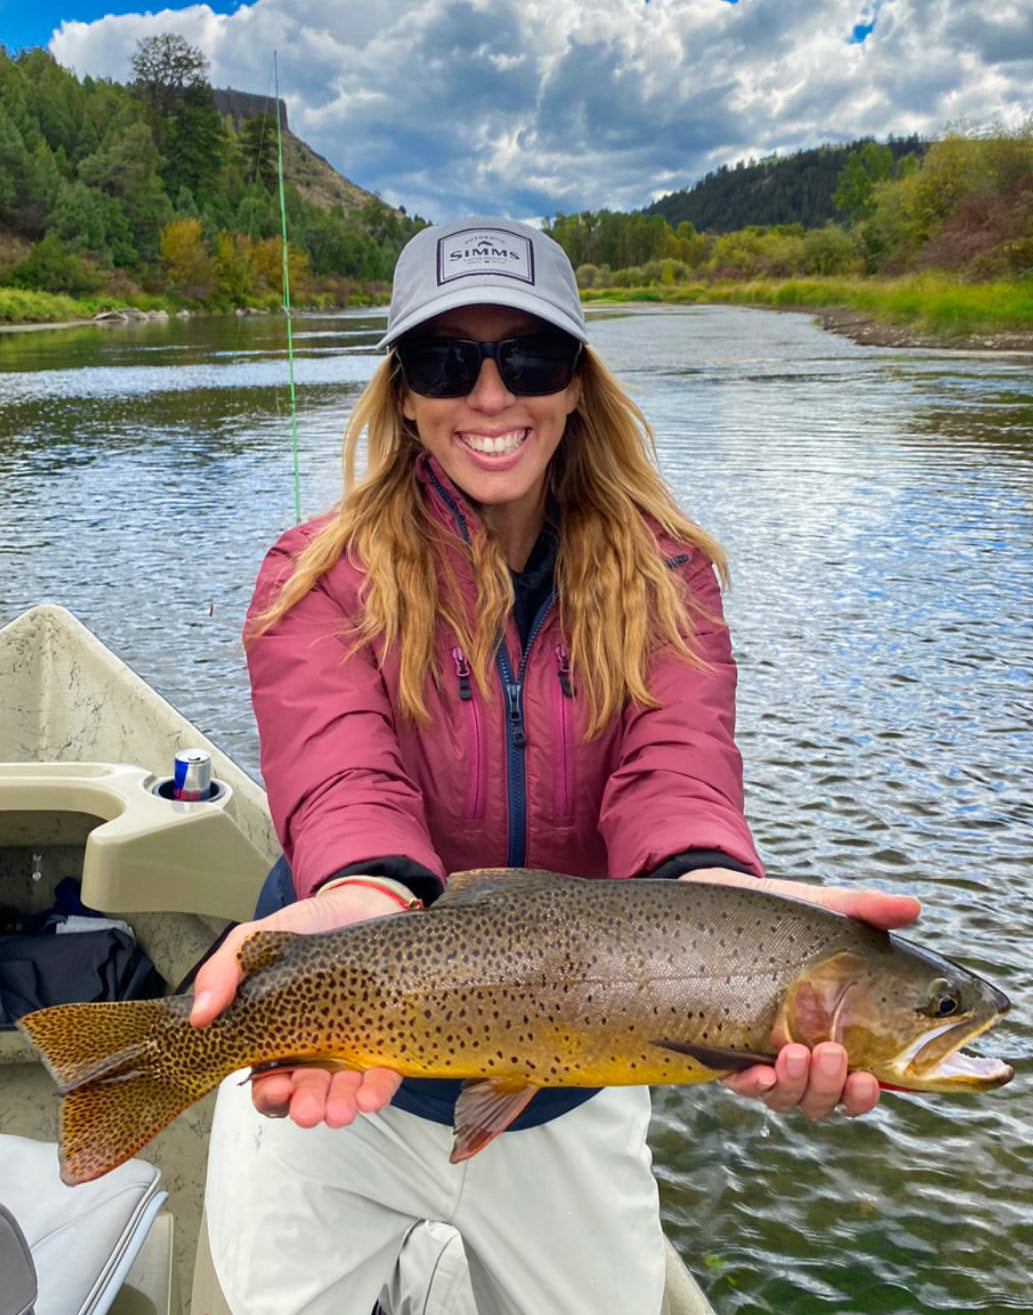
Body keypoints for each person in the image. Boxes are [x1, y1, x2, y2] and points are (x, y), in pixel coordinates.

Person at [191, 217, 921, 1315]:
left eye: (527, 356)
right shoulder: (315, 573)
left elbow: (673, 778)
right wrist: (358, 889)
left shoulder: (671, 574)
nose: (490, 395)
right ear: (402, 391)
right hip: (333, 1057)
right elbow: (342, 776)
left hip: (567, 1088)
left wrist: (718, 899)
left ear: (576, 381)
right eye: (447, 360)